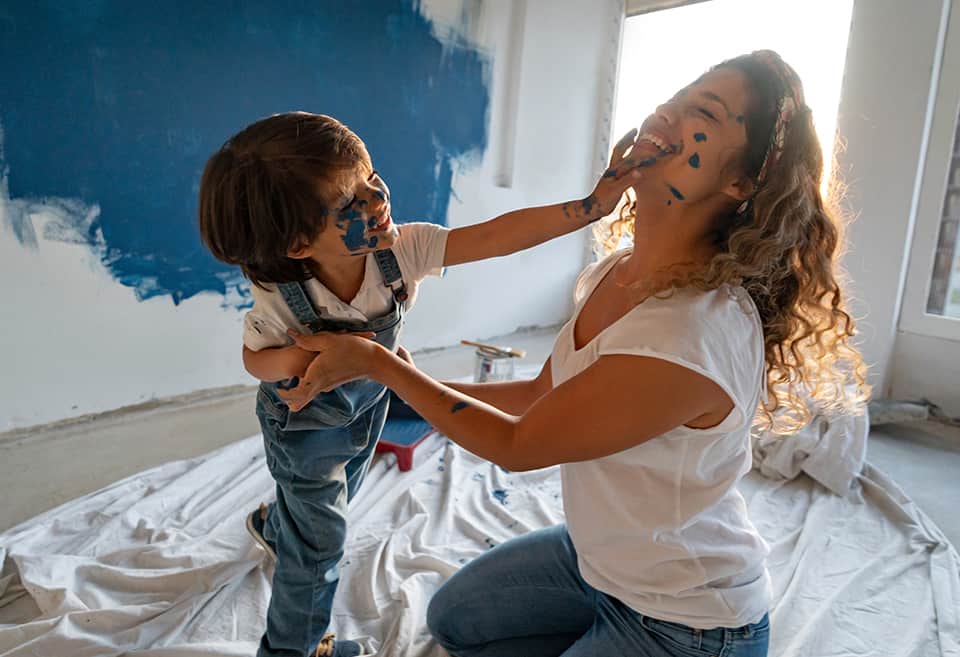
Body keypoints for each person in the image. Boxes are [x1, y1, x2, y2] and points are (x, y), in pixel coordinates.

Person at [279, 51, 869, 656]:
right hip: (599, 563)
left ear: (739, 183)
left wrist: (383, 368)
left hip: (685, 621)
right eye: (681, 93)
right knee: (453, 620)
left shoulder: (691, 332)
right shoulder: (617, 271)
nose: (668, 111)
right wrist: (397, 386)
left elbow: (519, 445)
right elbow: (540, 397)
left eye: (705, 113)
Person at [198, 111, 654, 657]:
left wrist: (591, 207)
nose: (377, 198)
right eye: (352, 202)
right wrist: (300, 359)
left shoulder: (399, 251)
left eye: (372, 178)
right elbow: (254, 359)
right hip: (306, 419)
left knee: (338, 495)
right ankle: (294, 649)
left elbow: (495, 237)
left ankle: (278, 526)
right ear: (298, 244)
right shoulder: (282, 294)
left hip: (369, 406)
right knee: (321, 542)